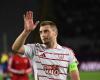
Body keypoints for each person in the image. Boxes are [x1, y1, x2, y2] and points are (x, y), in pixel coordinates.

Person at [12, 11, 80, 80]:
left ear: (55, 33)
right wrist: (26, 31)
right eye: (41, 32)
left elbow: (75, 78)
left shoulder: (68, 52)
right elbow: (16, 48)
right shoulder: (35, 49)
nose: (43, 35)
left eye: (46, 31)